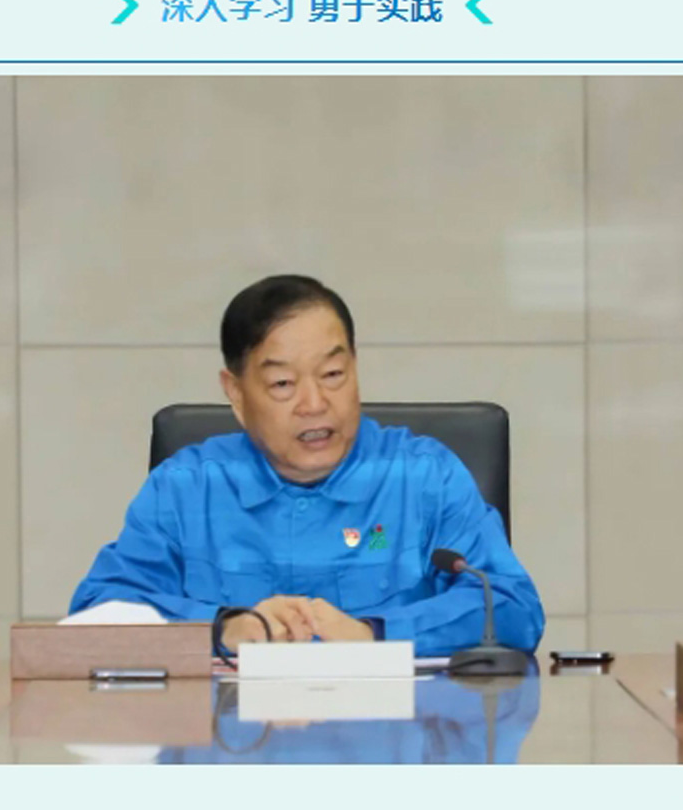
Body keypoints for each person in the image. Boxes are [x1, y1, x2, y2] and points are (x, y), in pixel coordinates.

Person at [69, 275, 544, 656]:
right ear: (236, 393)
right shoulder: (187, 489)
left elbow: (513, 607)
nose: (315, 404)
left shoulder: (422, 479)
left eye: (333, 374)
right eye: (282, 384)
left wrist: (376, 633)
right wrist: (222, 628)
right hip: (229, 742)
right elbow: (97, 616)